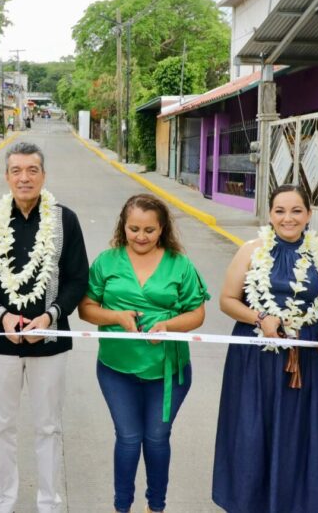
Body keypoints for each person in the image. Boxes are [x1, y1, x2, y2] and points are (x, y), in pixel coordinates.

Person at [0, 141, 89, 513]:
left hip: (49, 340)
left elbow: (77, 279)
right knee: (1, 426)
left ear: (43, 176)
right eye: (16, 171)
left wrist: (50, 316)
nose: (24, 177)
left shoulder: (64, 219)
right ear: (6, 177)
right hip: (2, 342)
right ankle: (4, 500)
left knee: (48, 427)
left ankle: (48, 502)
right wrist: (2, 315)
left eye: (31, 170)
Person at [211, 184, 318, 512]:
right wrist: (260, 317)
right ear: (270, 215)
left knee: (298, 436)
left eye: (296, 210)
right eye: (280, 211)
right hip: (255, 358)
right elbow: (227, 301)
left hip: (307, 361)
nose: (288, 218)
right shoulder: (252, 250)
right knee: (252, 431)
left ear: (309, 215)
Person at [78, 194, 208, 513]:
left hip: (167, 371)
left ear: (162, 229)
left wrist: (168, 325)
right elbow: (85, 309)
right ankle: (121, 507)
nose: (141, 236)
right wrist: (117, 317)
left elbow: (197, 313)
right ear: (124, 226)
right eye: (134, 228)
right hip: (116, 368)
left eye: (149, 230)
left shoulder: (180, 264)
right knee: (128, 436)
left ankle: (156, 507)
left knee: (156, 438)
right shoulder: (107, 261)